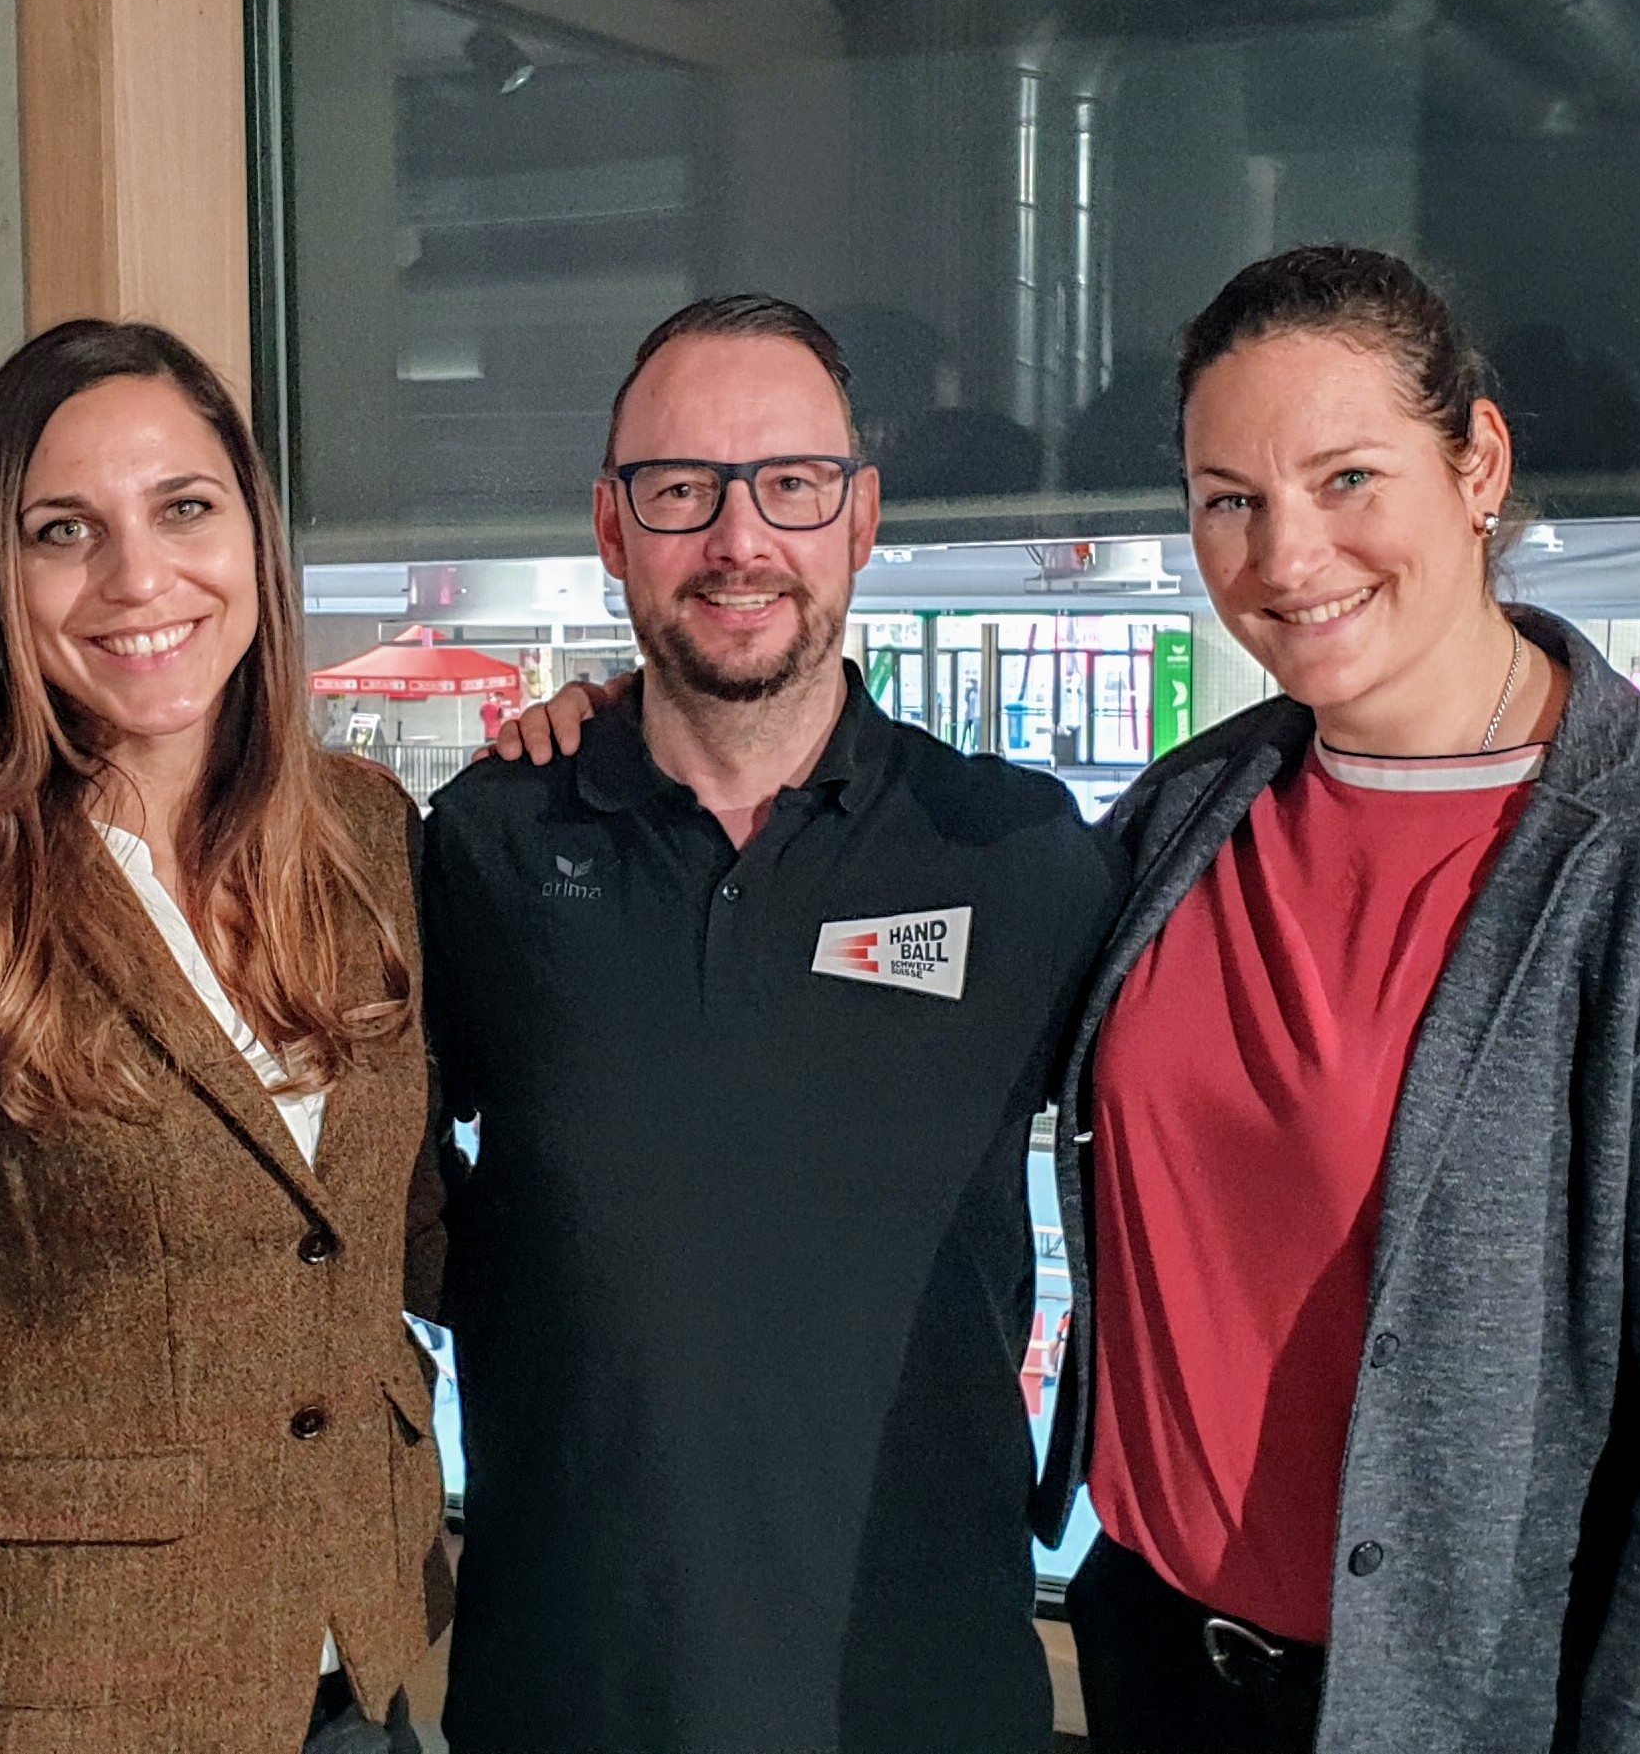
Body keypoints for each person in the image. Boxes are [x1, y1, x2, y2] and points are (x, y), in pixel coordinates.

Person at [1036, 247, 1640, 1749]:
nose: (1285, 559)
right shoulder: (1188, 812)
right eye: (1229, 499)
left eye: (1346, 478)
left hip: (1434, 1713)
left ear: (1475, 461)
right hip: (1143, 1650)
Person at [423, 294, 1120, 1753]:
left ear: (858, 519)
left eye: (788, 486)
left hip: (923, 1699)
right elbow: (358, 1190)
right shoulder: (485, 848)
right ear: (611, 530)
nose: (738, 539)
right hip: (570, 1698)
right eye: (680, 490)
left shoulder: (1013, 857)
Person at [0, 319, 446, 1754]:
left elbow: (388, 1216)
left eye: (182, 509)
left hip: (360, 1654)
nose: (138, 579)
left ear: (249, 533)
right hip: (71, 1700)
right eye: (64, 531)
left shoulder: (365, 836)